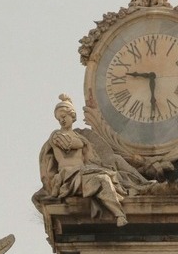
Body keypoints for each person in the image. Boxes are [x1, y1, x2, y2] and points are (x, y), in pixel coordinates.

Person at [38, 94, 149, 225]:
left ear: (72, 116)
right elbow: (69, 144)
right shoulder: (57, 135)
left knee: (115, 165)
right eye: (59, 118)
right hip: (69, 176)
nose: (61, 120)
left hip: (84, 171)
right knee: (103, 179)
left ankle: (143, 184)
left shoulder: (79, 136)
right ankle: (119, 214)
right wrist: (83, 142)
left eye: (64, 116)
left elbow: (90, 156)